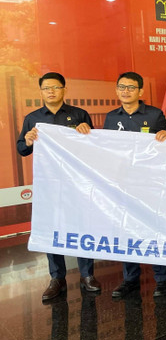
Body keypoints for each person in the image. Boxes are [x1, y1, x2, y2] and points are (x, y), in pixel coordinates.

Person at [16, 72, 102, 301]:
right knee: (51, 228)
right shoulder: (32, 118)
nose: (51, 91)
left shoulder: (79, 114)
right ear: (41, 92)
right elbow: (21, 149)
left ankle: (87, 275)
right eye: (46, 88)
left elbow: (92, 148)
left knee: (82, 227)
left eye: (55, 87)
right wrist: (28, 140)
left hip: (76, 182)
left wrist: (86, 133)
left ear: (64, 89)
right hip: (49, 184)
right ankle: (57, 278)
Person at [103, 71, 166, 299]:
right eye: (121, 86)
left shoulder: (154, 115)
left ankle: (162, 279)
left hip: (151, 183)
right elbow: (105, 148)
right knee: (127, 230)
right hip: (123, 184)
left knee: (155, 229)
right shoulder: (111, 118)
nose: (126, 91)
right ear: (116, 90)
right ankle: (130, 279)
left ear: (140, 91)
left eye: (131, 87)